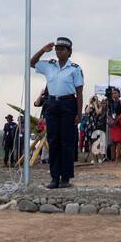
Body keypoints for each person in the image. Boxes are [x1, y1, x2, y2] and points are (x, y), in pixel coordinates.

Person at [31, 37, 85, 189]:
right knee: (53, 141)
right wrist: (43, 50)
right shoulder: (50, 66)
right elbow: (31, 62)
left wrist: (79, 114)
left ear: (69, 52)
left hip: (69, 104)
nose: (59, 51)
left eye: (62, 49)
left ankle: (65, 178)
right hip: (52, 104)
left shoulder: (75, 68)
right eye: (57, 49)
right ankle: (54, 177)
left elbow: (79, 93)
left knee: (66, 142)